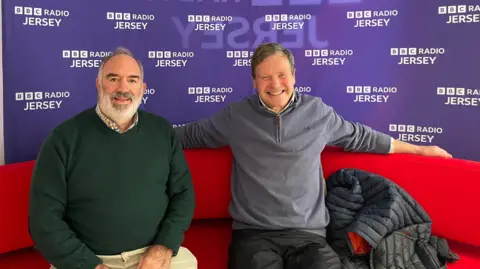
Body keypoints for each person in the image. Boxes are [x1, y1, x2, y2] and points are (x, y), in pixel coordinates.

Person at [174, 42, 452, 269]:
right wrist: (134, 132)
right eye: (265, 76)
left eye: (282, 74)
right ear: (254, 81)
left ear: (294, 76)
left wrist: (419, 150)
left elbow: (361, 137)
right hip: (253, 235)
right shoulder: (235, 117)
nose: (275, 84)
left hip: (309, 236)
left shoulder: (318, 112)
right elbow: (188, 135)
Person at [29, 47, 197, 269]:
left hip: (152, 255)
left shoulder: (162, 131)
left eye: (132, 80)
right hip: (87, 260)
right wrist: (91, 265)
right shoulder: (63, 138)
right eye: (113, 78)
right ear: (98, 84)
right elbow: (44, 221)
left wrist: (163, 246)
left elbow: (183, 195)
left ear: (143, 88)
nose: (123, 88)